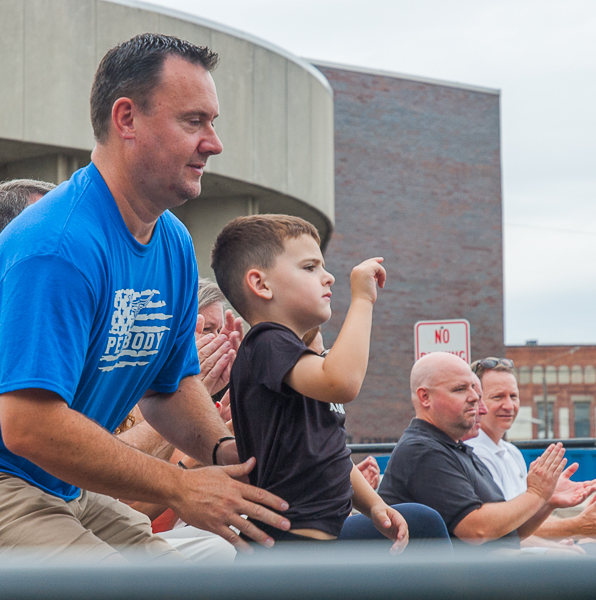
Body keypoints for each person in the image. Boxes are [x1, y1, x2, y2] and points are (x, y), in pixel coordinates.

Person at [0, 33, 290, 563]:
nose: (214, 143)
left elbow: (169, 385)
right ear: (126, 119)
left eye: (213, 122)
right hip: (9, 486)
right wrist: (180, 487)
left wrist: (226, 453)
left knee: (206, 577)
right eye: (193, 121)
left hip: (64, 486)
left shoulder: (173, 241)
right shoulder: (57, 245)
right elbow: (27, 425)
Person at [211, 213, 450, 553]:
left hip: (322, 539)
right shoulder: (266, 341)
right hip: (290, 550)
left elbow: (329, 451)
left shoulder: (294, 358)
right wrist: (363, 301)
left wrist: (374, 505)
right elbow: (343, 383)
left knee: (421, 522)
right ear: (261, 284)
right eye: (310, 268)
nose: (329, 278)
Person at [377, 352, 592, 550]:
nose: (475, 400)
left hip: (483, 576)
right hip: (448, 585)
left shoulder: (458, 449)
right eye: (460, 389)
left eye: (475, 389)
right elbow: (477, 531)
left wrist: (546, 501)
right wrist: (536, 494)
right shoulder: (422, 451)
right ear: (425, 397)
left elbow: (509, 532)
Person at [467, 357, 596, 542]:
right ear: (476, 402)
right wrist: (577, 528)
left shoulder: (512, 452)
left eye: (513, 396)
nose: (509, 405)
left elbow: (523, 523)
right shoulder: (473, 455)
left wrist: (548, 501)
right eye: (498, 397)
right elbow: (500, 532)